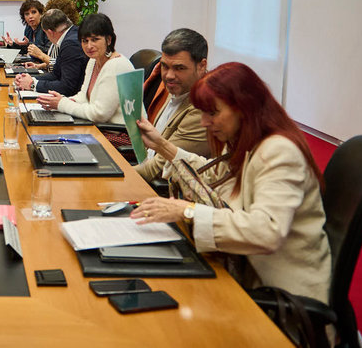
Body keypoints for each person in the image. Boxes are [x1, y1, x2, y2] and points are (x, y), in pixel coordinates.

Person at [132, 62, 331, 303]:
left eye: (212, 112)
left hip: (280, 296)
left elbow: (267, 231)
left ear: (243, 108)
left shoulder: (279, 152)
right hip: (244, 268)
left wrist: (188, 211)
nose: (204, 122)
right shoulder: (245, 139)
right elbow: (216, 175)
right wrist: (163, 146)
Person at [133, 28, 212, 181]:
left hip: (161, 191)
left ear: (202, 66)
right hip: (143, 171)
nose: (169, 76)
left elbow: (156, 170)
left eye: (179, 68)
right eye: (165, 66)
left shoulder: (202, 108)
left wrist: (113, 175)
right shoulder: (178, 89)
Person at [36, 13, 134, 123]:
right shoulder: (93, 61)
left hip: (118, 135)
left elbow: (99, 114)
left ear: (109, 40)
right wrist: (60, 101)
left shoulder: (117, 65)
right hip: (98, 127)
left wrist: (62, 104)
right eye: (84, 40)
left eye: (95, 39)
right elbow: (83, 96)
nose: (89, 46)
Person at [13, 9, 85, 96]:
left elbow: (67, 87)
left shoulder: (71, 44)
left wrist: (32, 84)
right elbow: (56, 74)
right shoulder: (71, 34)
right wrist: (29, 79)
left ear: (50, 32)